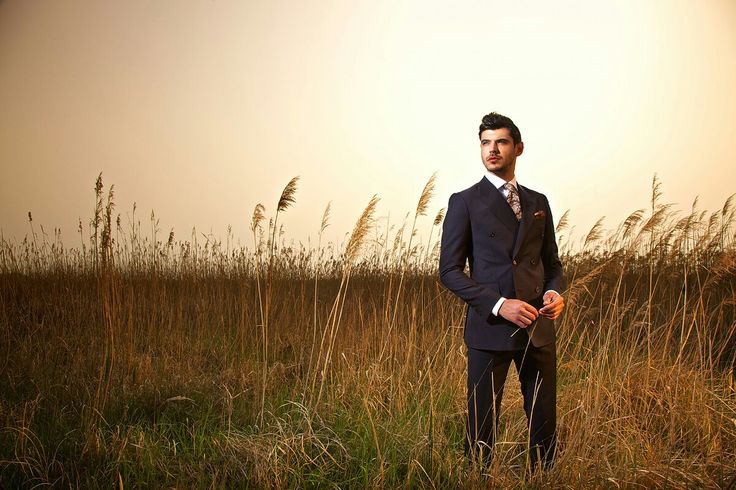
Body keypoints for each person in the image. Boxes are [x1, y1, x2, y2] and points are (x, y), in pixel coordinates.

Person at [439, 112, 565, 469]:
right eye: (485, 143)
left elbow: (552, 264)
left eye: (501, 142)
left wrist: (556, 294)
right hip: (489, 329)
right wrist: (498, 305)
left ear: (518, 148)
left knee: (544, 423)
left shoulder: (538, 202)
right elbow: (448, 271)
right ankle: (479, 478)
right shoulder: (464, 201)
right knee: (481, 426)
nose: (492, 150)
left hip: (538, 328)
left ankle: (544, 477)